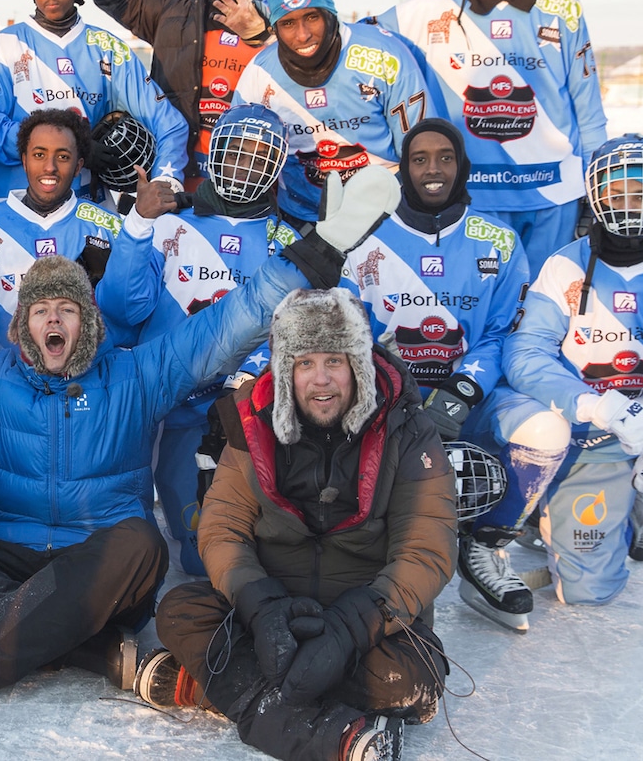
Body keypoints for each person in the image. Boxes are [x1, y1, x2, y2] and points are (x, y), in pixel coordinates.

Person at [0, 145, 401, 701]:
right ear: (23, 324)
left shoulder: (136, 375)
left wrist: (319, 251)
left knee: (139, 545)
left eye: (67, 309)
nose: (54, 321)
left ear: (86, 321)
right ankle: (86, 650)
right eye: (41, 311)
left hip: (103, 571)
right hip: (17, 563)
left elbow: (234, 323)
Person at [148, 288, 455, 761]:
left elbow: (427, 548)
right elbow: (223, 527)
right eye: (305, 363)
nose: (320, 380)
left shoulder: (408, 428)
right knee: (179, 610)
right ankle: (337, 738)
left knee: (407, 681)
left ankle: (217, 684)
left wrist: (349, 629)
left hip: (367, 617)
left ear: (358, 364)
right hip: (272, 610)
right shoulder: (253, 420)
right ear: (286, 369)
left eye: (334, 360)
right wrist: (260, 604)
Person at [471, 135, 643, 624]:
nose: (631, 207)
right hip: (593, 435)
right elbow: (526, 355)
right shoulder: (565, 266)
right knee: (584, 592)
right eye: (618, 194)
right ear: (596, 196)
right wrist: (600, 407)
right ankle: (592, 498)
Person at [332, 119, 532, 631]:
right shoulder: (366, 236)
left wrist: (463, 390)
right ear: (404, 168)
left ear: (461, 165)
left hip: (473, 392)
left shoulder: (500, 241)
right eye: (419, 159)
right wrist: (394, 389)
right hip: (388, 392)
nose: (433, 169)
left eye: (444, 157)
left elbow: (504, 333)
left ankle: (483, 545)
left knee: (541, 429)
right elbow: (350, 331)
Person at [97, 104, 300, 575]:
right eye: (235, 152)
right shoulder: (168, 220)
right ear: (214, 154)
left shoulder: (283, 241)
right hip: (147, 397)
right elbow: (122, 308)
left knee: (198, 552)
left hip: (214, 417)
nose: (244, 165)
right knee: (117, 538)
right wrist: (139, 225)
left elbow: (291, 330)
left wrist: (249, 377)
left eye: (258, 156)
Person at [378, 0, 607, 267]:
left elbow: (587, 106)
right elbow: (346, 42)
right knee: (479, 310)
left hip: (553, 192)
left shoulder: (562, 4)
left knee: (544, 308)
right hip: (470, 191)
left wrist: (597, 190)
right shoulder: (429, 7)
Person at [0, 0, 189, 205]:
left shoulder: (106, 46)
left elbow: (170, 125)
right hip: (10, 206)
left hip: (85, 207)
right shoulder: (5, 45)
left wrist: (164, 183)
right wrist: (74, 148)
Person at [231, 0, 435, 224]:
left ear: (330, 14)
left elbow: (421, 145)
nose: (303, 35)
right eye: (289, 23)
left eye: (312, 17)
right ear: (275, 28)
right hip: (300, 219)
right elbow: (240, 159)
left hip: (384, 215)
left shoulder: (383, 53)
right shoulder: (260, 72)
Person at [88, 0, 273, 177]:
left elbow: (302, 75)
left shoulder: (273, 18)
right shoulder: (171, 7)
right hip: (176, 168)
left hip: (244, 176)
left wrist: (262, 34)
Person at [0, 108, 138, 352]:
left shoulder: (110, 228)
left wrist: (101, 294)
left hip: (83, 382)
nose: (50, 167)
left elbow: (130, 320)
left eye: (62, 157)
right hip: (4, 380)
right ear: (24, 160)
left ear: (79, 165)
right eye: (39, 154)